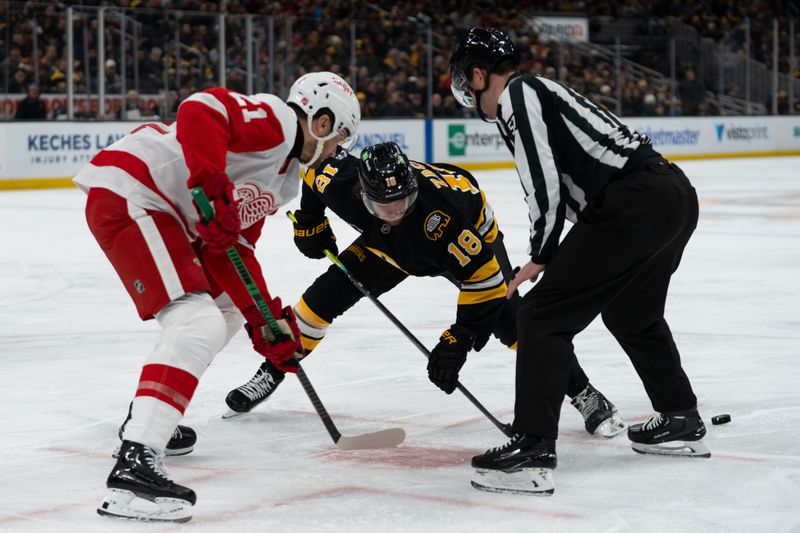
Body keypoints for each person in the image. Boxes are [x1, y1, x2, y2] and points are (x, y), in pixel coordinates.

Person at [73, 71, 360, 522]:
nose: (335, 151)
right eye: (338, 138)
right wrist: (209, 182)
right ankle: (135, 462)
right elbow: (200, 110)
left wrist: (263, 319)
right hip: (133, 189)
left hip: (162, 210)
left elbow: (232, 249)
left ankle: (148, 420)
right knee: (196, 321)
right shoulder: (280, 122)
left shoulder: (284, 182)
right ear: (322, 122)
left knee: (223, 310)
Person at [448, 28, 709, 495]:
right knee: (634, 314)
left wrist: (541, 253)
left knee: (541, 314)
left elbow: (541, 180)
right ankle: (680, 418)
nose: (473, 100)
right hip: (672, 195)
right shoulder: (540, 91)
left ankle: (531, 449)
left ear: (478, 74)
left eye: (469, 87)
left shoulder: (518, 94)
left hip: (632, 203)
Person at [224, 142, 625, 440]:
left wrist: (459, 339)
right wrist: (309, 220)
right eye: (385, 204)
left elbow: (482, 279)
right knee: (317, 302)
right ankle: (273, 370)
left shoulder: (441, 215)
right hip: (387, 247)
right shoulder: (342, 181)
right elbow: (312, 170)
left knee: (515, 321)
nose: (396, 210)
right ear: (363, 195)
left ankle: (585, 392)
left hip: (464, 243)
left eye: (402, 200)